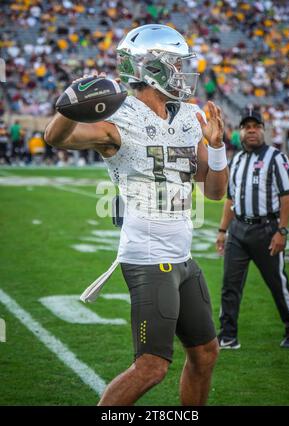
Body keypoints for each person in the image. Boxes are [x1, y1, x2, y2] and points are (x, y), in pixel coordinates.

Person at [44, 24, 228, 406]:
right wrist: (69, 103)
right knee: (151, 367)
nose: (184, 71)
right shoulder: (118, 116)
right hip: (148, 254)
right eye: (176, 63)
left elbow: (213, 192)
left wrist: (218, 146)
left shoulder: (190, 117)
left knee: (206, 352)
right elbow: (57, 138)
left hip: (181, 254)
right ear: (151, 68)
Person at [216, 107, 289, 350]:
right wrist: (222, 231)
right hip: (238, 230)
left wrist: (282, 231)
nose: (251, 131)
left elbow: (286, 197)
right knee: (230, 285)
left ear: (263, 130)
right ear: (239, 132)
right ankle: (228, 335)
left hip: (266, 230)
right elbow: (230, 199)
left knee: (278, 283)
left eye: (256, 127)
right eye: (246, 127)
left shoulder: (276, 157)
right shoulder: (238, 160)